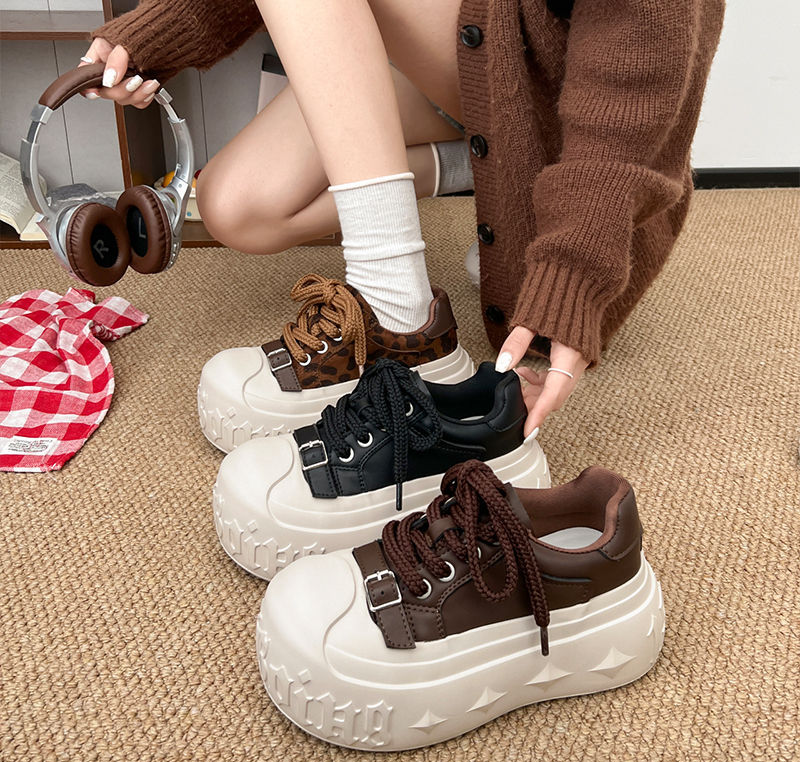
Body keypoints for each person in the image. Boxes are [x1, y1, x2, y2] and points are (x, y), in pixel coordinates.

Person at [80, 0, 725, 436]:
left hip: (567, 110)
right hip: (465, 53)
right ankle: (475, 168)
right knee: (236, 207)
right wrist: (144, 42)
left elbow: (637, 85)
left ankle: (397, 314)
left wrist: (576, 270)